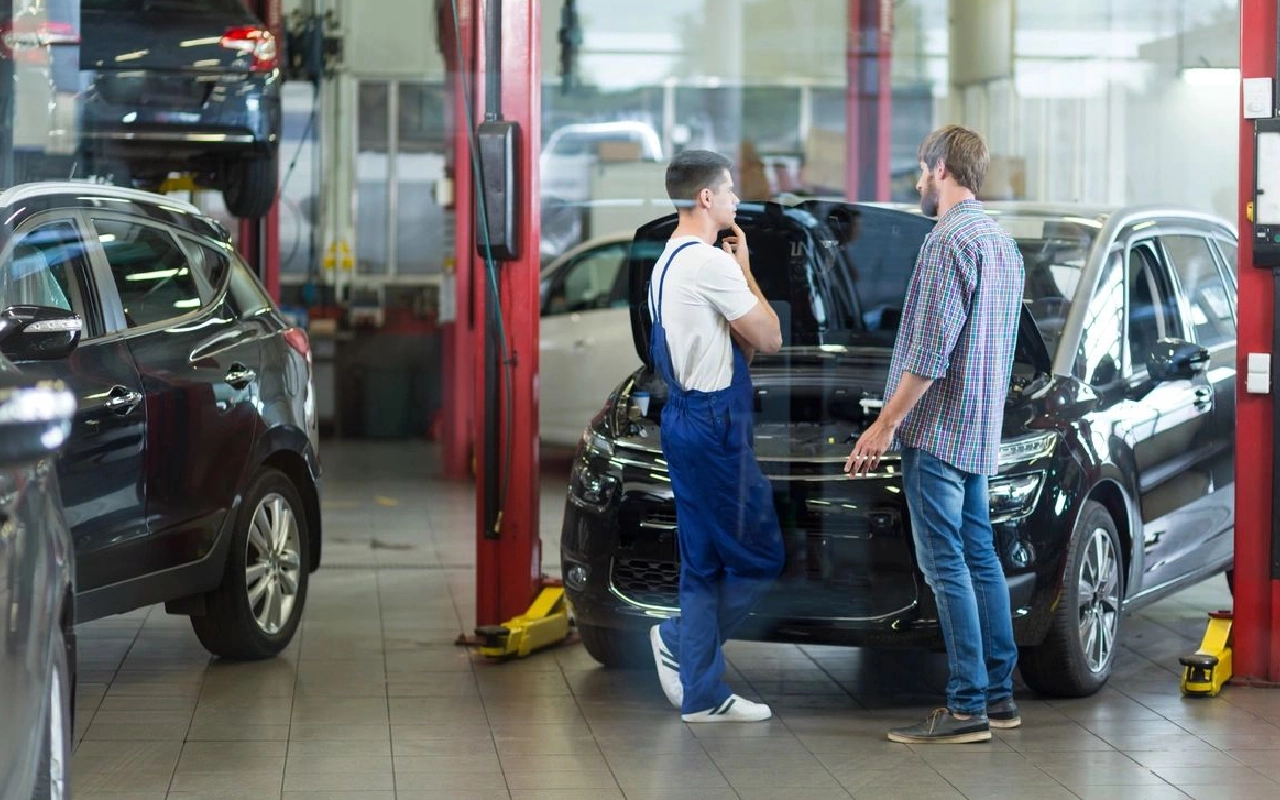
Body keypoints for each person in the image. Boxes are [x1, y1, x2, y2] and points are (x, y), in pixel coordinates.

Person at [845, 125, 1025, 744]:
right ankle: (999, 697)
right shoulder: (1003, 244)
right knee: (981, 559)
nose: (918, 182)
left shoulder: (946, 243)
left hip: (940, 434)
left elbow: (929, 354)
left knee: (946, 564)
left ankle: (966, 705)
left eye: (922, 171)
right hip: (979, 433)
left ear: (942, 167)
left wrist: (883, 424)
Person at [646, 149, 786, 722]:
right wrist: (747, 267)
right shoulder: (711, 263)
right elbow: (771, 338)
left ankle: (702, 695)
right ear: (705, 198)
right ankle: (681, 640)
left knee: (702, 562)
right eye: (728, 190)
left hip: (685, 419)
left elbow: (739, 345)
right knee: (759, 558)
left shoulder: (666, 260)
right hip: (713, 427)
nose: (735, 199)